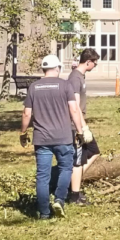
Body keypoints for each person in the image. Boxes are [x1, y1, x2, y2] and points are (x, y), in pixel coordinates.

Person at [20, 54, 86, 219]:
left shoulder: (34, 87)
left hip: (41, 139)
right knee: (66, 169)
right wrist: (79, 131)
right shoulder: (65, 85)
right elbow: (74, 109)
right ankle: (59, 199)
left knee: (43, 175)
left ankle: (43, 213)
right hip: (63, 137)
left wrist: (23, 133)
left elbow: (26, 114)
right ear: (58, 68)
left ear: (43, 69)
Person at [66, 47, 99, 206]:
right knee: (77, 161)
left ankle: (72, 183)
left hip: (79, 123)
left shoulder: (80, 76)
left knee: (93, 152)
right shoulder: (75, 78)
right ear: (88, 62)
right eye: (95, 63)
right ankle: (74, 193)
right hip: (75, 126)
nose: (95, 65)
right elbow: (75, 106)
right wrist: (83, 128)